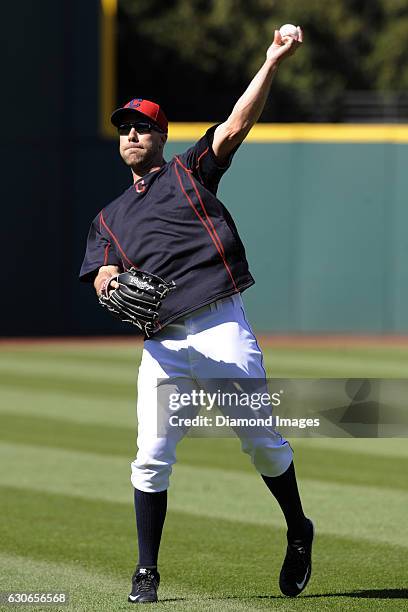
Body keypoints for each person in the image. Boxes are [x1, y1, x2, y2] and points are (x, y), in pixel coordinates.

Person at [80, 27, 314, 604]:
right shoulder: (108, 218)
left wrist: (271, 62)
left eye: (142, 125)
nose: (131, 133)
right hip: (161, 343)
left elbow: (237, 123)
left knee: (261, 442)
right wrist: (111, 286)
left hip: (219, 323)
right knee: (151, 455)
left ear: (161, 135)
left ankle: (299, 528)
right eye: (124, 128)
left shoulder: (189, 173)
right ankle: (146, 571)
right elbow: (102, 273)